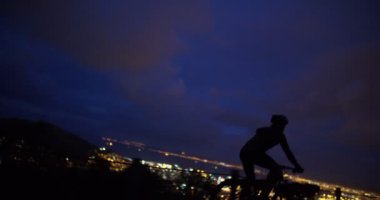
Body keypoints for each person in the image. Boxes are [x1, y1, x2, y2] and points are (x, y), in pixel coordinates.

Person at [240, 114, 304, 199]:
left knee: (251, 179)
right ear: (277, 124)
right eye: (282, 125)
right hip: (253, 153)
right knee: (275, 170)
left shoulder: (272, 133)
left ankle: (247, 194)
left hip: (246, 153)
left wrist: (296, 165)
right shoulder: (276, 135)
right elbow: (288, 153)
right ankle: (263, 196)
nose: (283, 128)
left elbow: (288, 153)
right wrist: (297, 166)